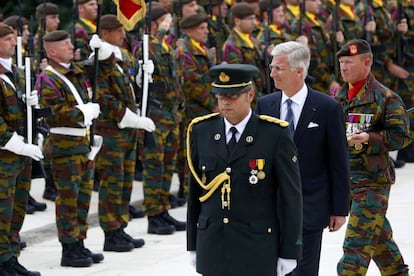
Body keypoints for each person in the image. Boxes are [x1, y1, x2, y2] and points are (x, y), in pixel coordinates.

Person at [186, 63, 303, 276]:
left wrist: (289, 250)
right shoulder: (201, 131)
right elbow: (195, 194)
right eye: (221, 96)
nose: (225, 102)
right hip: (213, 244)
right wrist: (192, 243)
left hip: (256, 247)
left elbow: (290, 198)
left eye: (232, 96)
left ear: (250, 95)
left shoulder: (274, 134)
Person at [256, 41, 350, 276]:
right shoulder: (265, 105)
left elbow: (338, 162)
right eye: (272, 67)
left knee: (305, 271)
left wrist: (339, 209)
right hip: (270, 209)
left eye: (279, 68)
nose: (272, 73)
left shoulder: (327, 108)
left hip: (310, 206)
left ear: (299, 71)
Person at [334, 39, 411, 275]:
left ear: (367, 63)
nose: (343, 68)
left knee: (355, 251)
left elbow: (401, 136)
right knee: (378, 241)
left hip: (372, 182)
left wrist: (370, 139)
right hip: (347, 180)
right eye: (341, 62)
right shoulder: (339, 98)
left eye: (349, 62)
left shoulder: (385, 98)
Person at [37, 30, 112, 267]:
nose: (72, 47)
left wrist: (102, 51)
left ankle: (79, 243)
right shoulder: (48, 78)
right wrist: (84, 112)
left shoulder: (74, 70)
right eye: (66, 44)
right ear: (51, 51)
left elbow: (103, 68)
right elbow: (54, 114)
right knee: (68, 200)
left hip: (83, 145)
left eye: (71, 43)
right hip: (65, 148)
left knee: (82, 199)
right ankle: (69, 249)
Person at [95, 14, 155, 252]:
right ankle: (111, 233)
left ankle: (120, 228)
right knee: (112, 182)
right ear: (106, 33)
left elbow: (130, 87)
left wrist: (143, 76)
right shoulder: (100, 59)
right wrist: (128, 117)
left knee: (124, 182)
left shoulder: (124, 56)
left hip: (128, 132)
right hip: (112, 131)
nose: (123, 35)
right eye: (119, 31)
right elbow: (104, 97)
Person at [138, 3, 186, 235]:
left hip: (170, 116)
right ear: (155, 23)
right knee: (154, 167)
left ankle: (163, 209)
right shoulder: (148, 47)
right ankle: (153, 214)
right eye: (166, 21)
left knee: (167, 166)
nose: (170, 25)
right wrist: (161, 33)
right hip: (156, 117)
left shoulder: (163, 46)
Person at [0, 22, 42, 276]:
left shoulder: (13, 72)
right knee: (1, 213)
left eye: (14, 39)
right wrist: (12, 140)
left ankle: (11, 258)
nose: (14, 44)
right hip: (5, 155)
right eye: (7, 39)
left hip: (19, 155)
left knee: (16, 210)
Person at [222, 2, 267, 96]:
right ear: (237, 21)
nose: (254, 22)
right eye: (250, 19)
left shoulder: (253, 41)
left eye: (254, 18)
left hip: (262, 90)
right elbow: (241, 76)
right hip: (250, 96)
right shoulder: (232, 46)